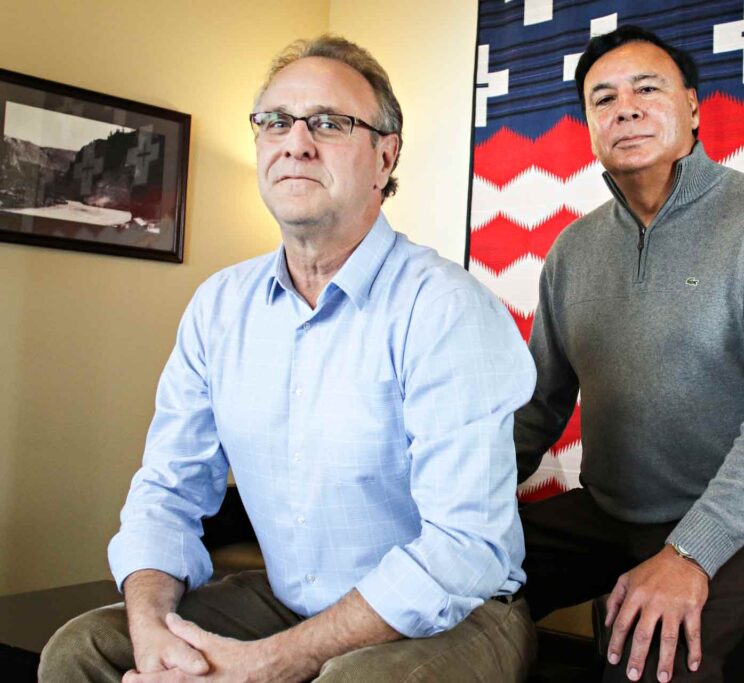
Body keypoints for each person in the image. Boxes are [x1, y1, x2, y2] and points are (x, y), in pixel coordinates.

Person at [40, 34, 537, 682]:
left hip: (458, 614)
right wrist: (151, 631)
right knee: (80, 650)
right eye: (276, 121)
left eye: (329, 123)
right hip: (289, 602)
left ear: (385, 156)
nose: (296, 141)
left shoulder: (444, 308)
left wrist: (271, 663)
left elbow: (461, 548)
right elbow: (167, 490)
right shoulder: (219, 307)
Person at [515, 25, 744, 683]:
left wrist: (691, 552)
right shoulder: (572, 252)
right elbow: (536, 409)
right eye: (602, 98)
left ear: (694, 107)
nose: (625, 108)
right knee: (454, 578)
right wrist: (448, 510)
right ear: (589, 125)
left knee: (645, 646)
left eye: (647, 88)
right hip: (612, 508)